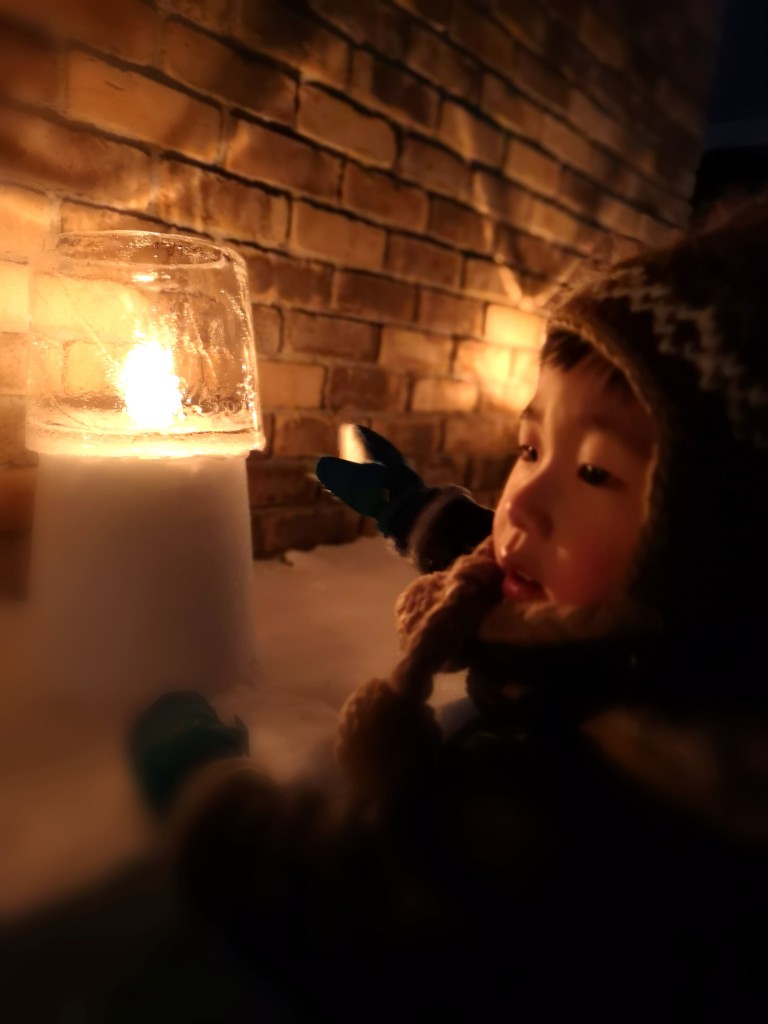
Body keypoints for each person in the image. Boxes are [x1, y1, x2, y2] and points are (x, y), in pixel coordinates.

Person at [130, 205, 768, 1022]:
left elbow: (336, 905)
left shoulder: (602, 807)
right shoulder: (641, 647)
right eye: (530, 447)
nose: (525, 502)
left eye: (599, 474)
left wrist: (203, 789)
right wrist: (405, 505)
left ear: (721, 544)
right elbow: (499, 559)